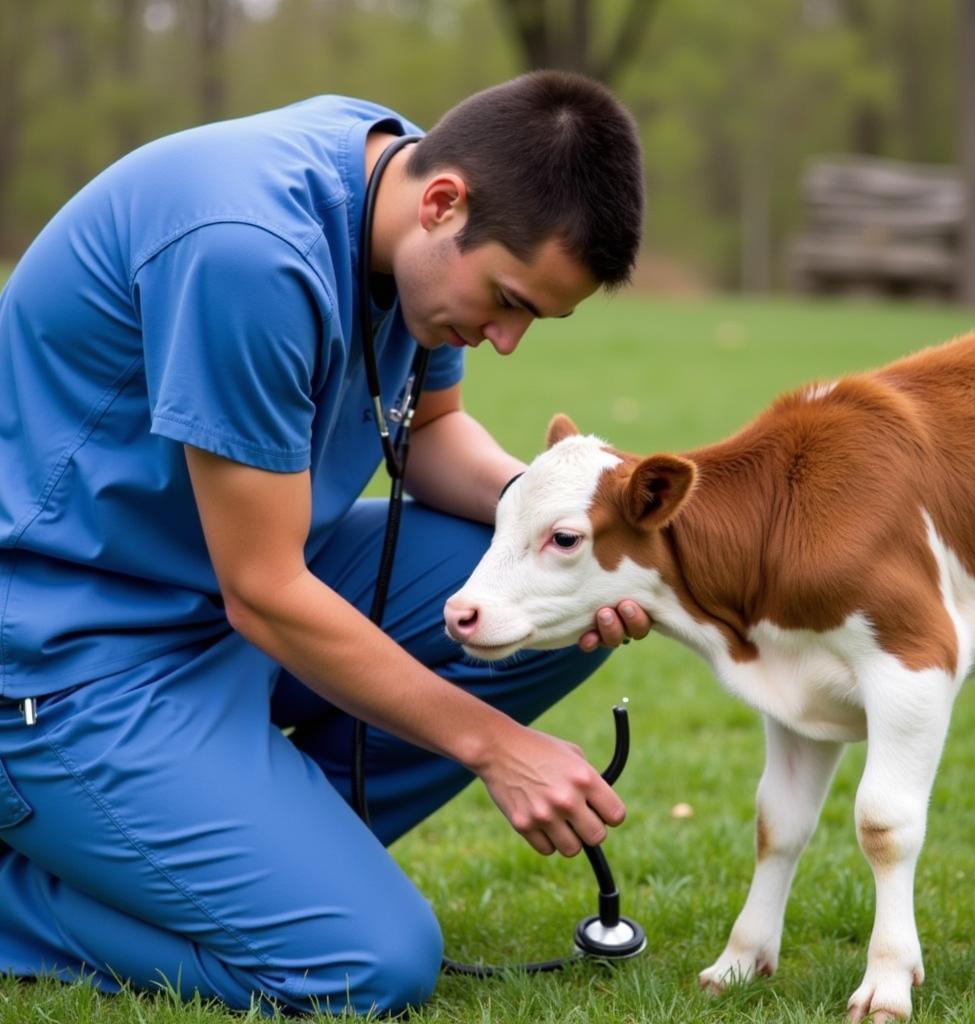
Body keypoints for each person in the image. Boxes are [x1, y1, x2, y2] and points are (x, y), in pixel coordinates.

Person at [0, 71, 648, 1015]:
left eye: (533, 320)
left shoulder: (403, 181)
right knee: (367, 965)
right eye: (506, 299)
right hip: (73, 656)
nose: (505, 339)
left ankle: (262, 860)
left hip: (215, 598)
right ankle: (45, 888)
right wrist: (496, 747)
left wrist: (546, 520)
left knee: (543, 603)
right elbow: (261, 590)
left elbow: (428, 433)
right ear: (442, 203)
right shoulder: (247, 252)